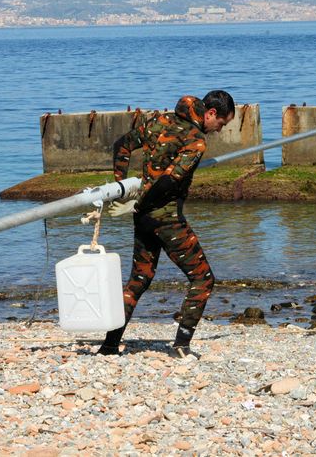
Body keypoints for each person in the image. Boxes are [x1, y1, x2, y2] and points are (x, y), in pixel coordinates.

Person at [99, 91, 235, 358]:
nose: (219, 130)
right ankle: (181, 346)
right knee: (203, 279)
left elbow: (121, 146)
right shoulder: (195, 141)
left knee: (139, 280)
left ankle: (110, 346)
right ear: (210, 114)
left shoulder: (159, 121)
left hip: (143, 219)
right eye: (221, 123)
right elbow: (168, 182)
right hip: (166, 219)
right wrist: (141, 203)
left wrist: (121, 188)